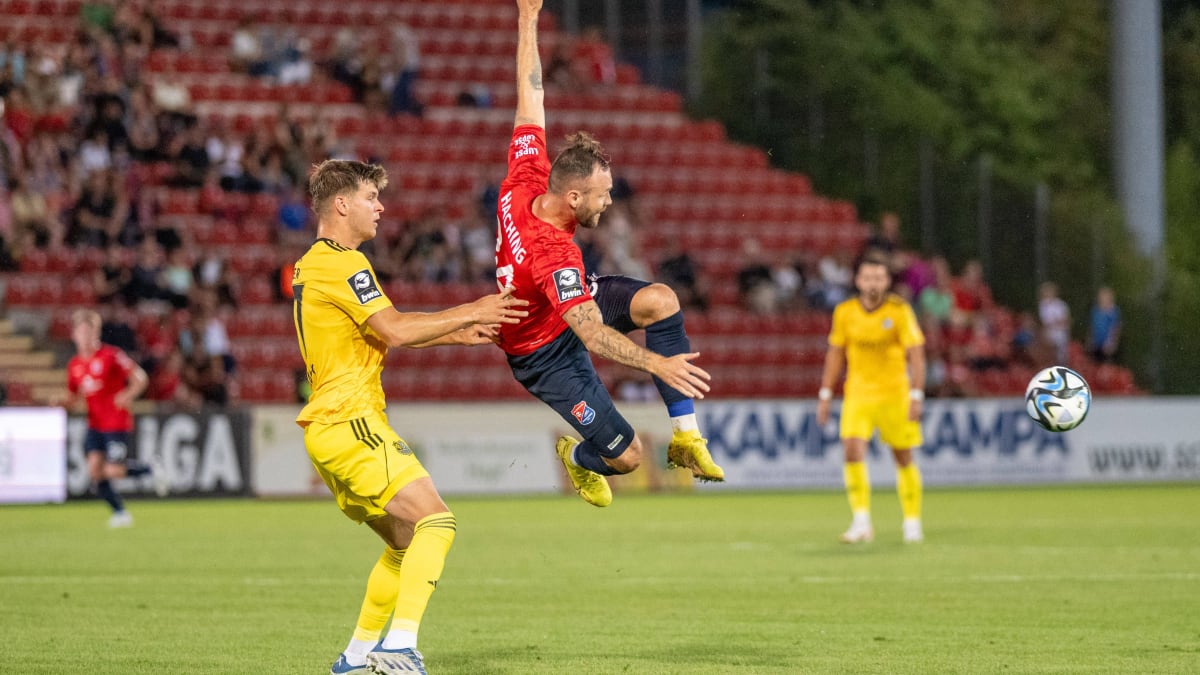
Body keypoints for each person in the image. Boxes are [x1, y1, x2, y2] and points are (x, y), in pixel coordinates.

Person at [294, 159, 527, 675]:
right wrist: (472, 309)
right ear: (341, 205)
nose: (380, 207)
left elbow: (377, 331)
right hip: (351, 421)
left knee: (403, 544)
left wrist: (454, 334)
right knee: (436, 521)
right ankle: (400, 647)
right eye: (370, 197)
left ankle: (355, 657)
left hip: (328, 429)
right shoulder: (345, 264)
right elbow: (395, 330)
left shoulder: (314, 262)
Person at [495, 0, 722, 510]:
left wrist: (528, 16)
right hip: (541, 352)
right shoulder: (554, 253)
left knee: (661, 300)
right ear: (574, 197)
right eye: (604, 195)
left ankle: (687, 436)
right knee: (628, 458)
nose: (610, 202)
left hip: (562, 305)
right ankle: (576, 457)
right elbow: (593, 335)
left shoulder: (526, 175)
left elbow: (531, 94)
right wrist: (658, 365)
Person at [816, 255, 927, 544]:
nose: (873, 283)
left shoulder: (899, 311)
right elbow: (835, 353)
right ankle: (861, 521)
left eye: (878, 278)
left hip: (895, 394)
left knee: (902, 456)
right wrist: (825, 394)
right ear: (858, 281)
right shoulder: (845, 312)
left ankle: (912, 521)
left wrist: (916, 394)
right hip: (858, 394)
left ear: (887, 281)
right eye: (868, 278)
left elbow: (916, 354)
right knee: (852, 451)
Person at [63, 308, 166, 528]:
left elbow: (140, 378)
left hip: (116, 423)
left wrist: (127, 395)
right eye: (81, 332)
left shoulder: (111, 355)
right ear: (74, 335)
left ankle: (150, 469)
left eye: (89, 331)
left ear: (96, 333)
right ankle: (120, 513)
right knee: (94, 471)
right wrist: (61, 404)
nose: (85, 336)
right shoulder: (75, 365)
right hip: (95, 424)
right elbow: (72, 397)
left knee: (112, 469)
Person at [1038, 281, 1071, 364]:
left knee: (1061, 356)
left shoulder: (1061, 305)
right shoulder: (1042, 305)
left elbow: (1065, 321)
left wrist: (1053, 324)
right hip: (1048, 333)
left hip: (1059, 333)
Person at [1088, 286, 1121, 364]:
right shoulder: (1095, 309)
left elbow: (1116, 327)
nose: (1102, 298)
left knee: (1106, 363)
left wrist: (1112, 342)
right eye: (1101, 296)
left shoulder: (1113, 311)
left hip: (1107, 342)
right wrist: (1090, 339)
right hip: (1096, 342)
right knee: (1094, 362)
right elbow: (1092, 325)